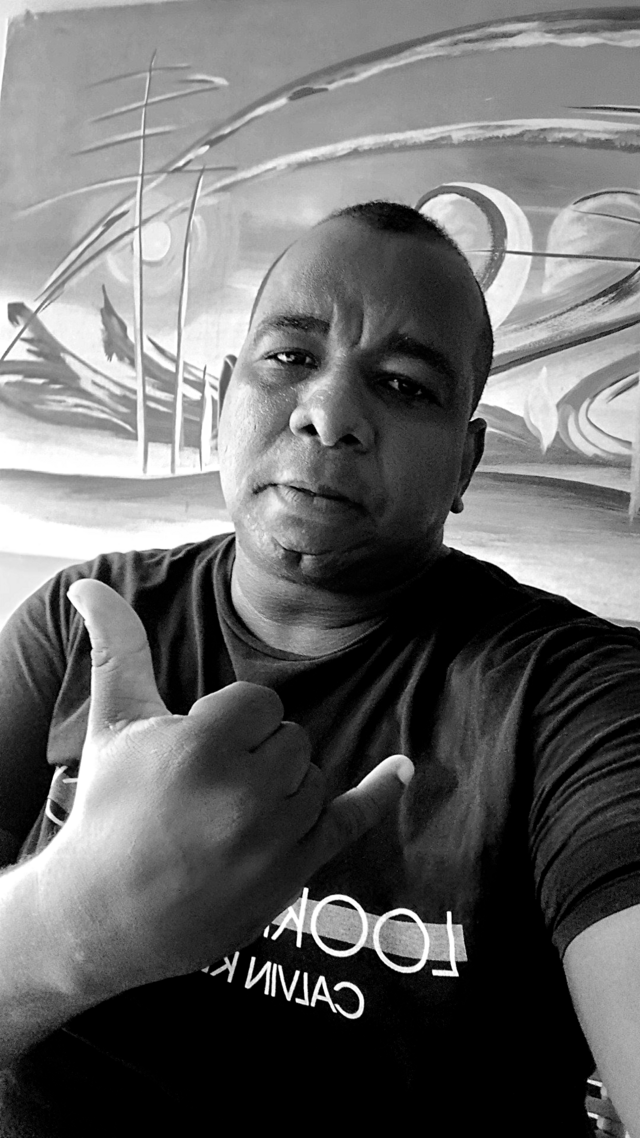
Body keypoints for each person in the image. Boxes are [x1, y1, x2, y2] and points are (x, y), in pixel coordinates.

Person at [0, 200, 637, 1137]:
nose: (330, 412)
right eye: (292, 356)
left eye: (406, 385)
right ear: (226, 398)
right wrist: (74, 921)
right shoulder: (85, 618)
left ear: (465, 463)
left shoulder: (573, 697)